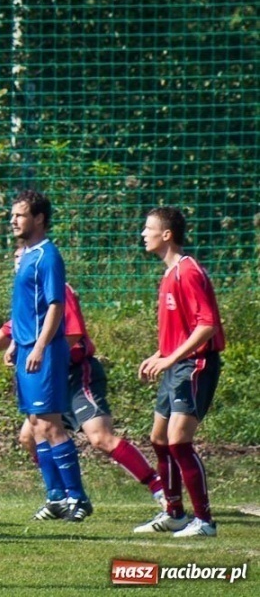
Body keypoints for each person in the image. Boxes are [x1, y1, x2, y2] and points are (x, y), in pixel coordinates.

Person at [0, 249, 164, 520]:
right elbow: (9, 331)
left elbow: (74, 332)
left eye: (26, 258)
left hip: (77, 372)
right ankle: (59, 497)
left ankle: (159, 488)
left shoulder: (58, 289)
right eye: (17, 260)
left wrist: (43, 354)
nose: (20, 263)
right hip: (49, 375)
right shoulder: (27, 295)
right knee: (29, 436)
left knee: (100, 438)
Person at [0, 190, 91, 520]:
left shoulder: (48, 255)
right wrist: (15, 344)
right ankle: (56, 497)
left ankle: (78, 498)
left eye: (19, 215)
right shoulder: (25, 256)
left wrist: (39, 346)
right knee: (34, 426)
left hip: (43, 350)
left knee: (50, 424)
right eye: (13, 215)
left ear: (39, 219)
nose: (13, 220)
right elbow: (25, 309)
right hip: (27, 349)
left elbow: (55, 305)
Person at [133, 206, 224, 537]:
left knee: (178, 441)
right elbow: (182, 328)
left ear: (166, 235)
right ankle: (174, 513)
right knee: (159, 439)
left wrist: (171, 360)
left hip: (195, 365)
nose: (143, 234)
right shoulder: (169, 274)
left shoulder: (188, 271)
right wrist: (160, 353)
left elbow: (208, 326)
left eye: (148, 228)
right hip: (176, 364)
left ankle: (205, 521)